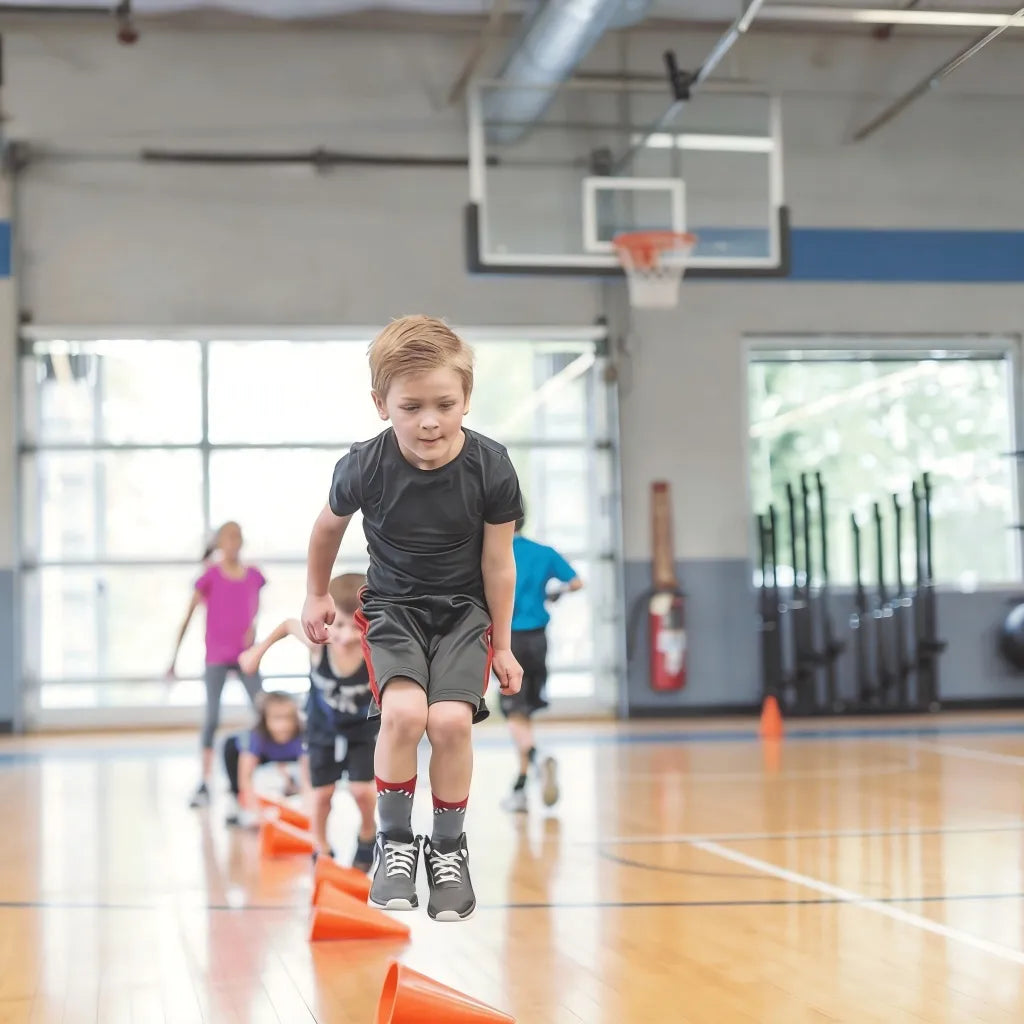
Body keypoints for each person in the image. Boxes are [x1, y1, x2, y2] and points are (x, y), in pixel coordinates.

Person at [300, 314, 524, 922]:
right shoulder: (366, 466)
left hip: (463, 612)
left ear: (467, 399)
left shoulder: (492, 467)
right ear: (381, 405)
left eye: (445, 404)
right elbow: (326, 529)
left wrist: (502, 646)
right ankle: (395, 843)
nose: (430, 420)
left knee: (451, 723)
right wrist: (317, 595)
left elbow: (499, 563)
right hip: (393, 608)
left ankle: (448, 849)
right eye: (411, 406)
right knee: (401, 713)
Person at [239, 573, 379, 870]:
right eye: (339, 625)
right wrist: (257, 652)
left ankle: (367, 834)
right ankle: (322, 846)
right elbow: (289, 625)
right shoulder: (320, 644)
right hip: (322, 727)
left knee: (362, 791)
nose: (347, 636)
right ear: (327, 620)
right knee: (322, 793)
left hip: (361, 728)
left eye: (357, 627)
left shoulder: (374, 648)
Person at [168, 521, 267, 809]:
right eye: (228, 537)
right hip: (216, 656)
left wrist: (254, 630)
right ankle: (205, 781)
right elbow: (188, 615)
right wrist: (173, 658)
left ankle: (281, 775)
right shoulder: (209, 576)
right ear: (220, 542)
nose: (234, 542)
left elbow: (255, 606)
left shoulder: (254, 576)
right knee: (211, 718)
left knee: (264, 710)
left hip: (246, 654)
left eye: (238, 536)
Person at [500, 513, 583, 813]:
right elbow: (575, 582)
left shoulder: (494, 553)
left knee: (514, 713)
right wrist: (553, 594)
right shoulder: (543, 552)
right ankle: (520, 786)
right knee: (525, 715)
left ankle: (537, 757)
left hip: (507, 642)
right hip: (538, 640)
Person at [221, 690, 309, 827]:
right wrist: (256, 812)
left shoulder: (302, 735)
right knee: (230, 745)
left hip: (287, 765)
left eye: (288, 718)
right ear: (265, 718)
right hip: (260, 761)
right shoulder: (257, 736)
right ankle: (235, 800)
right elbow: (245, 777)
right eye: (277, 718)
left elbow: (307, 778)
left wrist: (306, 809)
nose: (283, 725)